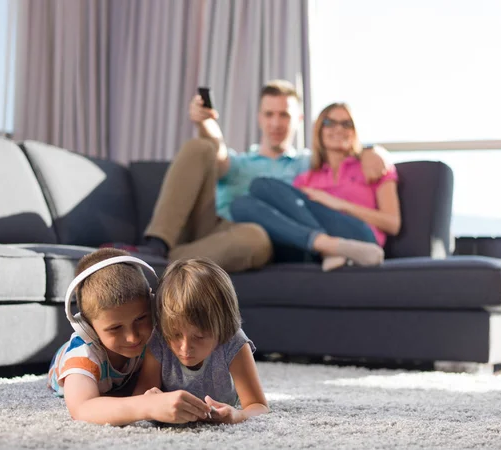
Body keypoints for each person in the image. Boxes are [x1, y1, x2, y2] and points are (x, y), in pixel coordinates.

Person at [127, 80, 390, 272]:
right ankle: (157, 243)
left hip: (243, 240)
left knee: (256, 237)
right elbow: (217, 151)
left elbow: (339, 154)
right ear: (259, 118)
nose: (276, 123)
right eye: (269, 114)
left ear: (298, 119)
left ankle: (158, 264)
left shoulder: (307, 164)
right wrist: (205, 124)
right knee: (201, 146)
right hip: (205, 225)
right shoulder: (239, 162)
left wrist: (373, 151)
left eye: (284, 115)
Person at [47, 248, 213, 425]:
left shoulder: (155, 336)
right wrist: (146, 406)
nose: (133, 337)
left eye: (141, 318)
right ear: (87, 327)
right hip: (65, 363)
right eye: (115, 328)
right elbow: (82, 409)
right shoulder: (82, 356)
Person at [230, 102, 401, 271]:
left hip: (361, 241)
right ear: (319, 130)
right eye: (329, 123)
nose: (338, 129)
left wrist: (338, 204)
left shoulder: (373, 166)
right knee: (241, 202)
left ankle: (326, 245)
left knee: (261, 186)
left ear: (354, 131)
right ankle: (326, 246)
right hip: (311, 251)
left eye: (346, 124)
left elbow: (393, 223)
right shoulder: (306, 176)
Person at [133, 257, 269, 424]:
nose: (185, 347)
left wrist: (236, 415)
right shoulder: (160, 338)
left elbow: (259, 406)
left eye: (199, 336)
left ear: (223, 327)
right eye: (175, 335)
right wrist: (153, 402)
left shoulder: (233, 341)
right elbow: (140, 398)